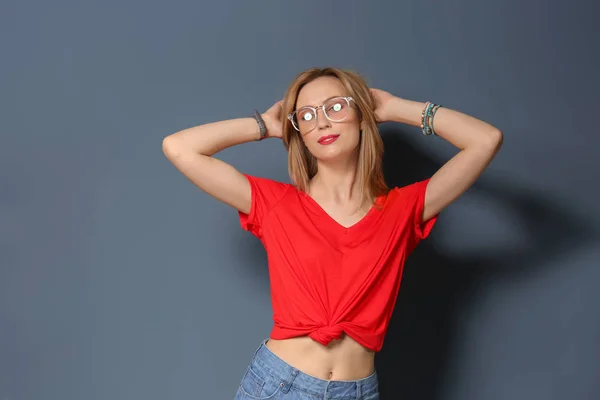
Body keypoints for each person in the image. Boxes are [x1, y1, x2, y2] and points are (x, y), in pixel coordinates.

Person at [162, 67, 503, 400]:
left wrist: (397, 108)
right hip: (279, 385)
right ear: (299, 132)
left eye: (335, 106)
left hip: (357, 391)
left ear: (361, 115)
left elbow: (485, 140)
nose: (322, 121)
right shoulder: (274, 204)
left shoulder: (403, 209)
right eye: (307, 115)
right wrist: (265, 125)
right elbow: (179, 147)